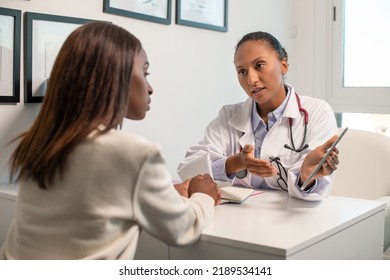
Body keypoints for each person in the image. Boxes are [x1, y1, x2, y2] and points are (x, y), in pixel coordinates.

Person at [0, 21, 220, 260]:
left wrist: (164, 194)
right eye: (145, 73)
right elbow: (183, 229)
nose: (150, 88)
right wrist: (203, 196)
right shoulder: (132, 153)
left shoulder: (41, 142)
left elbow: (92, 203)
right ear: (114, 78)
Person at [178, 31, 339, 202]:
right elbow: (189, 170)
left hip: (292, 219)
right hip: (240, 218)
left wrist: (306, 175)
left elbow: (315, 186)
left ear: (283, 65)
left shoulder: (317, 112)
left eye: (259, 65)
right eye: (242, 72)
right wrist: (236, 163)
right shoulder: (228, 116)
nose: (251, 79)